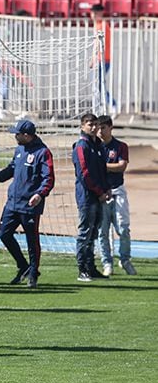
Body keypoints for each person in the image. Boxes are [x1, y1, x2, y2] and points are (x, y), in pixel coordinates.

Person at [0, 119, 55, 289]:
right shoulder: (19, 149)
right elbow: (9, 171)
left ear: (26, 135)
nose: (15, 136)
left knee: (32, 240)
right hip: (13, 203)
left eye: (17, 134)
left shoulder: (43, 152)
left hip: (30, 205)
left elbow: (48, 179)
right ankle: (23, 266)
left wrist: (39, 195)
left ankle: (33, 272)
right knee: (4, 234)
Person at [72, 113, 111, 282]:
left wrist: (107, 188)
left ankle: (91, 266)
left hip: (99, 195)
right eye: (90, 124)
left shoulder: (98, 145)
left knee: (94, 232)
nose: (94, 127)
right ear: (82, 126)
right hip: (87, 196)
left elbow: (103, 170)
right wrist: (98, 191)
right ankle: (82, 269)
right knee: (85, 233)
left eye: (95, 124)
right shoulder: (81, 146)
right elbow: (84, 174)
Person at [96, 115, 136, 276]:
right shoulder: (94, 147)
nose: (100, 131)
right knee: (102, 231)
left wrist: (102, 166)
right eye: (98, 128)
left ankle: (125, 259)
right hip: (100, 194)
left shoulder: (120, 146)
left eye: (103, 128)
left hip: (117, 190)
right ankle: (107, 263)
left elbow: (121, 166)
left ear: (111, 128)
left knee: (123, 228)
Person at [90, 4, 115, 114]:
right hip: (100, 59)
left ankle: (112, 104)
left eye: (95, 13)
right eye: (92, 13)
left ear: (100, 13)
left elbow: (98, 44)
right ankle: (103, 106)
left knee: (99, 84)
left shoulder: (103, 25)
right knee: (98, 85)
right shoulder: (98, 25)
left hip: (103, 59)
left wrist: (93, 59)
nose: (93, 15)